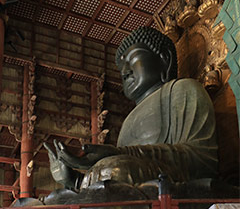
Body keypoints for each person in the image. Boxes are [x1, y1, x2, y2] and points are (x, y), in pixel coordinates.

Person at [45, 26, 218, 197]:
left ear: (165, 59)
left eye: (132, 59)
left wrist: (121, 153)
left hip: (171, 184)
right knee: (75, 187)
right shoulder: (129, 120)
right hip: (137, 182)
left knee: (117, 170)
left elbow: (202, 159)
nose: (125, 72)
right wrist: (74, 180)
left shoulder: (183, 89)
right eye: (121, 68)